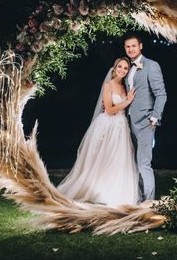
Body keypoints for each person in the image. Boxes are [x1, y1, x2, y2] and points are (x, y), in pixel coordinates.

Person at [57, 57, 140, 206]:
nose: (122, 70)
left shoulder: (125, 87)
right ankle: (96, 190)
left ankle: (114, 192)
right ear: (114, 68)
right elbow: (108, 109)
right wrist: (127, 102)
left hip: (121, 127)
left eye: (125, 68)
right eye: (120, 66)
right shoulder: (108, 85)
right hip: (107, 125)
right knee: (101, 159)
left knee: (118, 160)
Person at [124, 34, 167, 201]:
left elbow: (161, 94)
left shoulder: (151, 65)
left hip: (145, 122)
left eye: (133, 46)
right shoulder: (127, 66)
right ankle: (139, 199)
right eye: (127, 46)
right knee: (134, 163)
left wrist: (154, 118)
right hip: (129, 121)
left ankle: (149, 202)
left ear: (140, 46)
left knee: (144, 163)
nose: (130, 49)